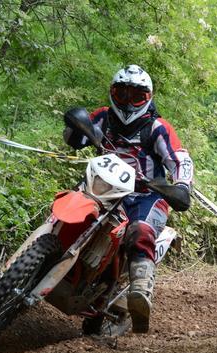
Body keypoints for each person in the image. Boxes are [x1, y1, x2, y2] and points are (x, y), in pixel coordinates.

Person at [63, 64, 194, 333]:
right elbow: (79, 137)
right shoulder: (103, 116)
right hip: (102, 186)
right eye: (121, 94)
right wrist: (75, 131)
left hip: (145, 196)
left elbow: (180, 159)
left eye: (136, 96)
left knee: (140, 230)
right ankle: (43, 250)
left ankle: (140, 291)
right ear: (113, 93)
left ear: (148, 97)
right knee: (70, 202)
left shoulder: (157, 128)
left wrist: (182, 185)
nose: (127, 101)